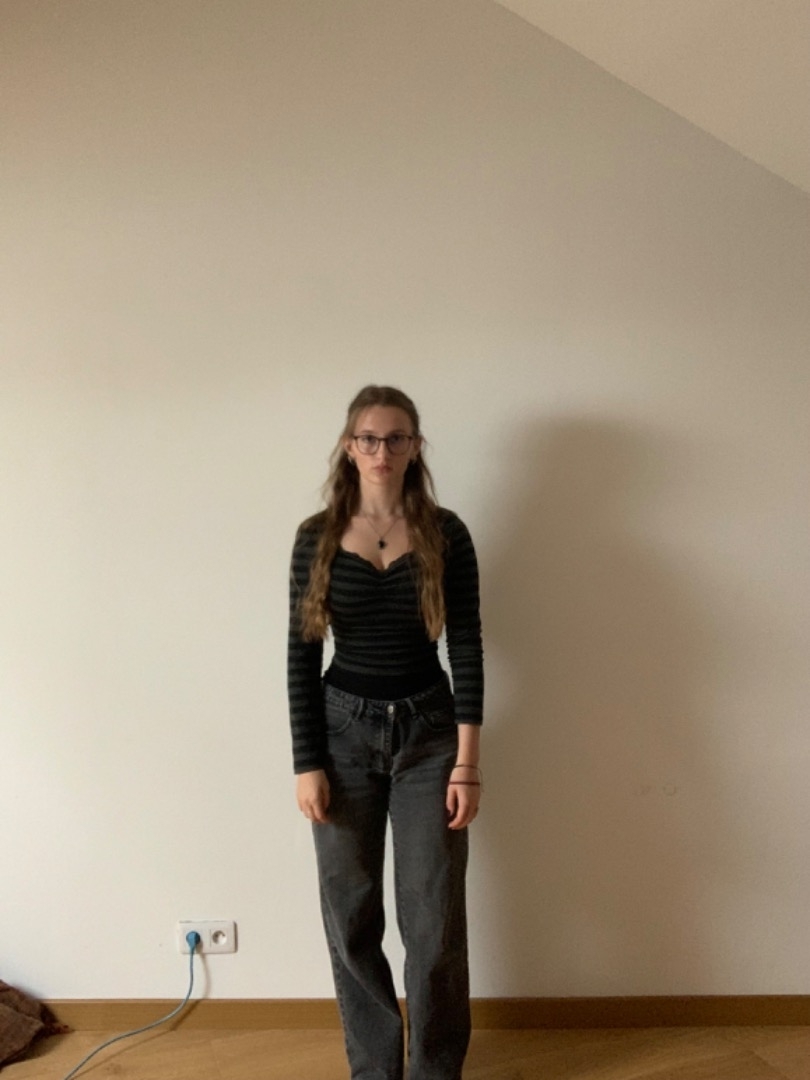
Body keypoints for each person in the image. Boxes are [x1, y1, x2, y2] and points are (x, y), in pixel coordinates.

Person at [287, 384, 483, 1080]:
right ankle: (375, 1071)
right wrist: (307, 762)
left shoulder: (446, 532)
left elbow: (467, 646)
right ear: (349, 447)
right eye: (368, 438)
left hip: (430, 736)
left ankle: (435, 1072)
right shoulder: (315, 536)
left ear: (415, 447)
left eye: (396, 437)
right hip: (341, 737)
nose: (382, 450)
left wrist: (467, 764)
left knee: (434, 920)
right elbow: (300, 655)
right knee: (351, 915)